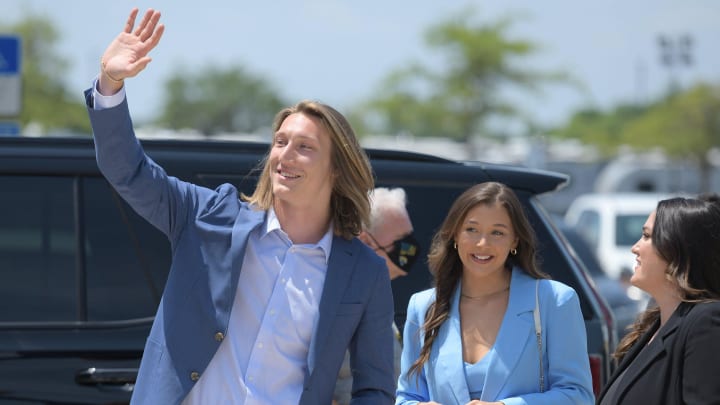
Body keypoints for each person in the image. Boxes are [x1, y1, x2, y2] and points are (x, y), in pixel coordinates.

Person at [84, 8, 395, 405]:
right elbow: (126, 170)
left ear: (336, 169)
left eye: (305, 147)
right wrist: (110, 83)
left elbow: (376, 388)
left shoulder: (364, 271)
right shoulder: (207, 217)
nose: (285, 155)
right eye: (280, 142)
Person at [395, 181, 594, 405]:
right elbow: (406, 398)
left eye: (497, 232)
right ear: (455, 236)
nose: (482, 243)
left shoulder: (554, 301)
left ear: (514, 241)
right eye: (471, 229)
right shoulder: (422, 306)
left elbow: (578, 396)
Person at [596, 194, 720, 404]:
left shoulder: (705, 323)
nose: (634, 247)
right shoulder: (657, 321)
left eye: (646, 236)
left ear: (675, 249)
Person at [333, 187, 421, 405]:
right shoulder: (330, 303)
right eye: (401, 241)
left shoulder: (373, 298)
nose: (409, 250)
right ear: (366, 241)